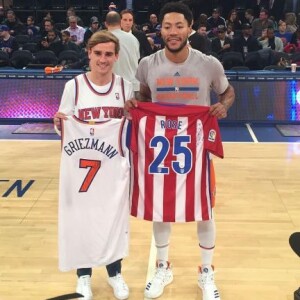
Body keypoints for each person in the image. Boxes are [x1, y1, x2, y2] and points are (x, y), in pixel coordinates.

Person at [125, 2, 235, 300]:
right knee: (161, 207)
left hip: (197, 150)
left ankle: (206, 271)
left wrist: (222, 106)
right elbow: (143, 97)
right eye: (167, 26)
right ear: (160, 29)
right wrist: (136, 104)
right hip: (161, 148)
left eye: (178, 26)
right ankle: (162, 266)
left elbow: (227, 92)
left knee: (205, 210)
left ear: (189, 28)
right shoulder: (147, 64)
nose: (172, 32)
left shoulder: (208, 63)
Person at [53, 30, 134, 300]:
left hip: (114, 171)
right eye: (98, 53)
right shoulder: (74, 86)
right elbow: (64, 129)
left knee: (114, 221)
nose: (103, 59)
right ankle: (84, 276)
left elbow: (130, 130)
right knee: (82, 221)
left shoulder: (125, 87)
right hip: (82, 173)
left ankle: (115, 274)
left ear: (116, 56)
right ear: (89, 53)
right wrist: (59, 123)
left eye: (108, 54)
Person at [105, 11, 140, 93]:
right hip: (133, 86)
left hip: (114, 87)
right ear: (120, 22)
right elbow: (137, 59)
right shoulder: (133, 38)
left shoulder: (103, 39)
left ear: (106, 24)